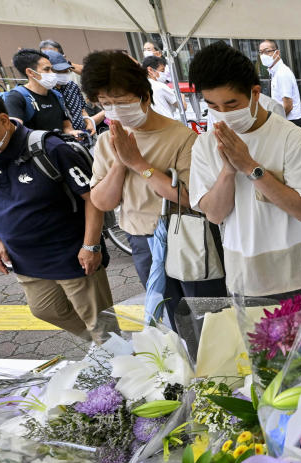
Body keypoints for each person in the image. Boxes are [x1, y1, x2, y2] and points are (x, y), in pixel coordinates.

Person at [0, 83, 114, 340]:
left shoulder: (51, 149)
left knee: (100, 323)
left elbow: (93, 199)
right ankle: (107, 350)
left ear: (3, 120)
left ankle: (114, 359)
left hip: (71, 256)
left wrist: (91, 246)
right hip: (24, 259)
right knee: (46, 310)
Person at [84, 51, 225, 323]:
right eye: (106, 103)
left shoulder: (181, 137)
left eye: (122, 102)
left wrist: (139, 164)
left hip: (186, 237)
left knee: (206, 317)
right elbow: (102, 202)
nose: (115, 110)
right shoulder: (106, 142)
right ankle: (181, 363)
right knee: (167, 317)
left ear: (145, 97)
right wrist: (120, 162)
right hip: (142, 241)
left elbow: (189, 198)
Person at [189, 42, 301, 299]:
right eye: (213, 107)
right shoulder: (205, 145)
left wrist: (250, 166)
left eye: (231, 104)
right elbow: (215, 216)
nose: (223, 114)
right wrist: (228, 171)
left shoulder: (291, 138)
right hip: (243, 276)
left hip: (297, 273)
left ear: (256, 93)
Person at [5, 49, 78, 136]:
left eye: (52, 69)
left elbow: (66, 126)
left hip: (60, 147)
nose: (52, 73)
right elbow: (14, 132)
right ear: (30, 72)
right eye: (47, 69)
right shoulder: (16, 97)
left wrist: (72, 133)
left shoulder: (56, 95)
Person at [43, 50, 91, 135]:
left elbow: (82, 109)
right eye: (59, 71)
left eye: (66, 70)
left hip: (83, 135)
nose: (64, 74)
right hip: (62, 138)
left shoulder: (72, 86)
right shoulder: (46, 91)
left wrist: (89, 122)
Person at [259, 39, 301, 127]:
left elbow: (288, 106)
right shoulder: (275, 72)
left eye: (267, 51)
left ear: (277, 53)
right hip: (285, 120)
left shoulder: (282, 73)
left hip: (290, 122)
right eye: (261, 52)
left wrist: (274, 123)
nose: (263, 55)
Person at [142, 55, 183, 120]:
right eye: (162, 71)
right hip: (166, 124)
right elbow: (182, 106)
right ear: (150, 70)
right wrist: (181, 96)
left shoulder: (140, 87)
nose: (164, 74)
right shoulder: (160, 86)